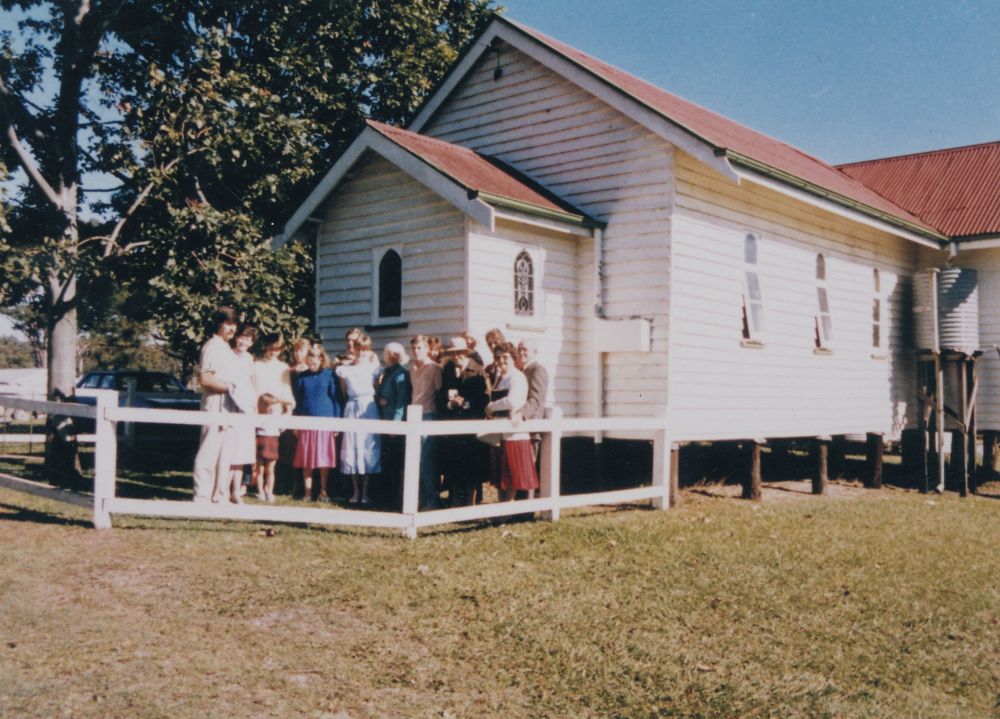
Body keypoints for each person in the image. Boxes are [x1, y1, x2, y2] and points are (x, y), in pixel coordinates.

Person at [192, 307, 239, 502]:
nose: (232, 328)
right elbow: (205, 378)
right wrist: (229, 388)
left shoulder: (226, 348)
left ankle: (220, 496)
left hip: (229, 406)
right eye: (228, 323)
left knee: (225, 454)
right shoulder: (212, 347)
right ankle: (202, 496)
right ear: (219, 324)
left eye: (234, 324)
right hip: (215, 403)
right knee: (208, 453)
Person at [438, 337, 490, 506]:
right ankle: (454, 501)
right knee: (453, 464)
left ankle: (470, 502)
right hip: (452, 425)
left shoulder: (478, 371)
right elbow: (440, 396)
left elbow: (485, 400)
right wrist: (450, 403)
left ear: (465, 353)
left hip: (471, 426)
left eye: (459, 352)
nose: (456, 356)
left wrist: (466, 403)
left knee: (471, 465)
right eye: (453, 353)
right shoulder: (447, 370)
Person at [486, 342, 538, 501]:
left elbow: (513, 401)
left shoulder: (517, 377)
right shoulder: (500, 378)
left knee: (512, 478)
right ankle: (502, 513)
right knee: (502, 477)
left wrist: (490, 406)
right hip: (500, 433)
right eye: (498, 358)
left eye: (505, 358)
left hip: (514, 434)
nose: (501, 361)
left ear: (512, 358)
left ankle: (504, 514)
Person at [292, 343, 340, 502]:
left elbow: (335, 400)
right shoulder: (301, 377)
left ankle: (323, 491)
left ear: (321, 359)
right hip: (306, 422)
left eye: (315, 359)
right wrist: (296, 423)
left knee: (323, 459)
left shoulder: (329, 375)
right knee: (307, 459)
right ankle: (307, 492)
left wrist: (336, 423)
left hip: (325, 421)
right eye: (309, 359)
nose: (312, 363)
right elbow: (298, 401)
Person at [216, 324, 258, 503]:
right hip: (229, 406)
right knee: (227, 453)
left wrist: (253, 406)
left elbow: (251, 384)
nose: (244, 341)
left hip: (246, 410)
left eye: (248, 339)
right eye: (242, 337)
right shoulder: (225, 354)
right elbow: (207, 371)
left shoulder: (249, 359)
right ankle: (221, 492)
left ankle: (235, 492)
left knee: (242, 453)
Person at [336, 341, 382, 504]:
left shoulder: (374, 368)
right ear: (353, 350)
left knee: (368, 447)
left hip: (368, 408)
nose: (361, 352)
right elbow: (343, 392)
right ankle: (356, 491)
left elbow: (376, 389)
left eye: (364, 349)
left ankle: (366, 492)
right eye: (358, 349)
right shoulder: (344, 370)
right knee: (352, 446)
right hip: (351, 407)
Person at [253, 333, 295, 498]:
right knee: (258, 460)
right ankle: (258, 490)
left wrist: (287, 408)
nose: (273, 352)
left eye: (277, 349)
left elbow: (287, 391)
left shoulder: (283, 367)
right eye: (271, 348)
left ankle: (269, 490)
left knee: (271, 460)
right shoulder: (256, 366)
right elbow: (254, 389)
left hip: (276, 413)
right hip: (259, 412)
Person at [408, 335, 443, 510]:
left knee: (426, 459)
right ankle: (418, 498)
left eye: (419, 348)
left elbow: (440, 393)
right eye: (414, 348)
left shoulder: (435, 368)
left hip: (429, 414)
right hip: (414, 416)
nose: (416, 351)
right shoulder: (412, 368)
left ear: (427, 348)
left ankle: (432, 499)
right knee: (415, 459)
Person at [378, 342, 411, 509]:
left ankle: (399, 499)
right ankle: (388, 497)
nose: (387, 356)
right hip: (385, 419)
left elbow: (402, 401)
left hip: (394, 423)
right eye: (386, 353)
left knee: (398, 462)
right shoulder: (388, 372)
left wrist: (396, 425)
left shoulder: (401, 374)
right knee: (388, 461)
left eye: (390, 353)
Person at [517, 338, 550, 461]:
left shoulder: (538, 370)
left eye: (524, 349)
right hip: (520, 428)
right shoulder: (521, 371)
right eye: (519, 349)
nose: (521, 352)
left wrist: (520, 414)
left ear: (534, 351)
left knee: (528, 471)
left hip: (530, 430)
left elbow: (535, 400)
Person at [254, 393, 288, 502]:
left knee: (270, 469)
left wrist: (287, 413)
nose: (275, 408)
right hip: (260, 440)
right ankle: (260, 492)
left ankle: (269, 491)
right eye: (272, 405)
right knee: (260, 470)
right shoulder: (259, 417)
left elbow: (282, 428)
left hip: (273, 441)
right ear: (265, 406)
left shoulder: (276, 418)